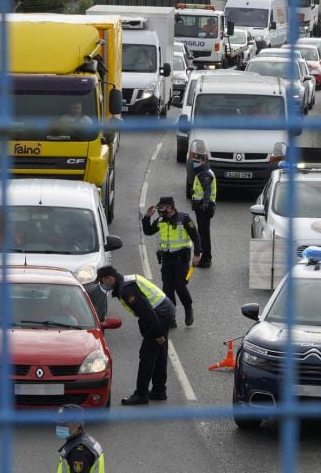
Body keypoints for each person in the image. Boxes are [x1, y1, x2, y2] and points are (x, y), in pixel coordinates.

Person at [96, 265, 175, 405]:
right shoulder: (125, 283)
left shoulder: (127, 290)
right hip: (164, 309)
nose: (103, 286)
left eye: (103, 282)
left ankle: (141, 394)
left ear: (109, 278)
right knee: (160, 352)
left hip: (159, 314)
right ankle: (159, 390)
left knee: (147, 355)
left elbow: (146, 312)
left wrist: (158, 333)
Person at [141, 196, 201, 327]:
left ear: (170, 207)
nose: (160, 211)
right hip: (167, 260)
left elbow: (195, 237)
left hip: (181, 260)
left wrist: (197, 254)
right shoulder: (161, 220)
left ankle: (188, 308)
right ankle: (171, 316)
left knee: (180, 286)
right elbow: (148, 231)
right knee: (167, 289)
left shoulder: (184, 218)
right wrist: (147, 217)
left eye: (162, 208)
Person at [56, 404, 105, 473]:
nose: (61, 426)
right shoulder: (84, 440)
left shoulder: (79, 453)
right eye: (59, 423)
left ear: (77, 424)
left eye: (65, 424)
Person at [190, 151, 216, 269]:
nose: (196, 163)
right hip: (202, 207)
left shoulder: (205, 174)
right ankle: (205, 258)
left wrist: (204, 203)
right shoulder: (203, 172)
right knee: (203, 233)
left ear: (204, 160)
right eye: (195, 161)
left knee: (204, 235)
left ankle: (206, 260)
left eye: (198, 161)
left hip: (204, 208)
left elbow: (207, 191)